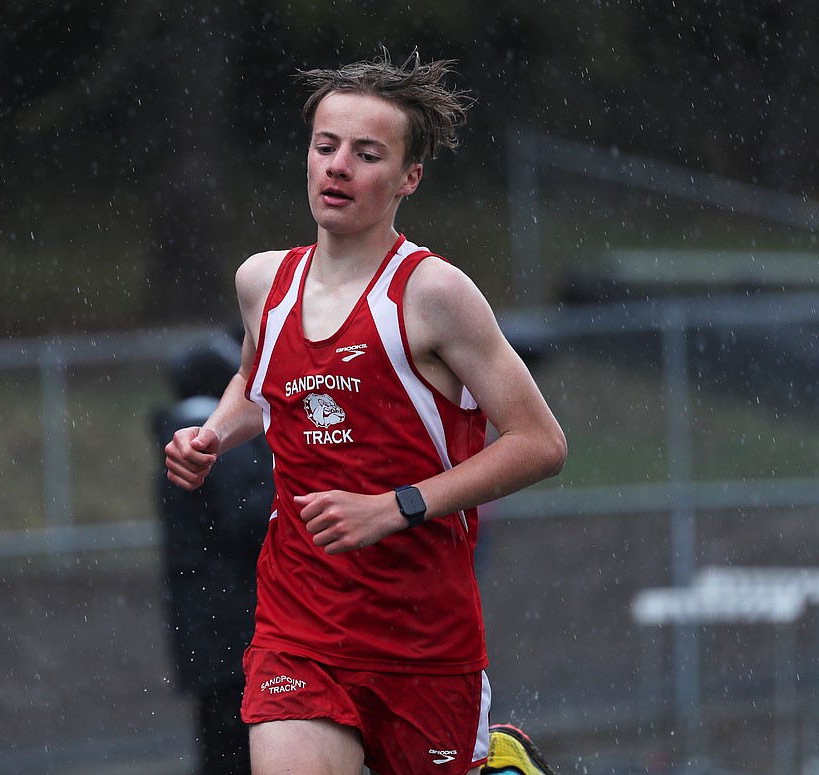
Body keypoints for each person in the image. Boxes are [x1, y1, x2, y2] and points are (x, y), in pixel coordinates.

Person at [164, 49, 567, 775]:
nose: (338, 166)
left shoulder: (435, 295)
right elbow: (260, 383)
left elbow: (540, 442)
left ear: (408, 178)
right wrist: (213, 435)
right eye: (326, 146)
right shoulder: (264, 281)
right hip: (300, 624)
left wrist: (397, 505)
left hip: (422, 635)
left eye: (366, 153)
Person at [152, 335, 275, 774]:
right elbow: (247, 517)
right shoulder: (215, 440)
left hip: (204, 622)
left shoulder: (176, 436)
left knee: (220, 743)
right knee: (241, 744)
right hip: (236, 620)